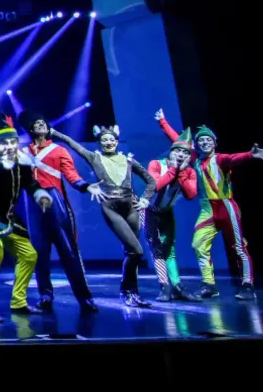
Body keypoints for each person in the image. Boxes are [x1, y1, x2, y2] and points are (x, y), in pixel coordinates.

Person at [155, 109, 261, 300]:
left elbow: (234, 158)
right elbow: (179, 142)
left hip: (226, 207)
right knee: (198, 244)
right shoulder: (195, 160)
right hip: (207, 209)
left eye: (208, 140)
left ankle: (247, 285)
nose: (204, 143)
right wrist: (163, 122)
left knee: (238, 247)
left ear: (214, 143)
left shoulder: (220, 159)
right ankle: (209, 284)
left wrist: (250, 155)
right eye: (201, 141)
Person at [51, 125, 156, 307]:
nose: (108, 142)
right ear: (99, 143)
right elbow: (73, 144)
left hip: (131, 206)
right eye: (104, 140)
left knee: (132, 253)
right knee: (137, 251)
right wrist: (55, 133)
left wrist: (146, 200)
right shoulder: (95, 157)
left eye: (111, 139)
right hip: (110, 206)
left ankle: (133, 294)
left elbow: (151, 180)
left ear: (117, 141)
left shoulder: (128, 160)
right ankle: (126, 290)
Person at [0, 114, 53, 322]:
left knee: (29, 255)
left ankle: (19, 301)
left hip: (10, 216)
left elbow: (31, 184)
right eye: (5, 143)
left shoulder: (22, 163)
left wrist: (41, 196)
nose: (9, 146)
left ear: (18, 143)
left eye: (13, 142)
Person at [17, 112, 99, 312]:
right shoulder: (23, 152)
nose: (40, 124)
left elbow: (71, 175)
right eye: (36, 123)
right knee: (39, 254)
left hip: (56, 203)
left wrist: (85, 186)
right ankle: (45, 296)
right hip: (33, 205)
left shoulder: (58, 150)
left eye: (43, 122)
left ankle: (84, 298)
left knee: (69, 253)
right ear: (30, 129)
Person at [142, 125, 202, 302]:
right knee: (157, 250)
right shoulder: (156, 164)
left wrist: (181, 172)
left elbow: (191, 195)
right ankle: (165, 286)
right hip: (149, 211)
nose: (181, 155)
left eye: (185, 153)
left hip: (167, 212)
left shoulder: (189, 172)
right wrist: (173, 170)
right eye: (177, 151)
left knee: (170, 250)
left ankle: (177, 286)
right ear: (171, 151)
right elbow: (156, 186)